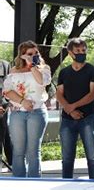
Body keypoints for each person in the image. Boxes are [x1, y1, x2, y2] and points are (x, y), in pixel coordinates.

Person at [2, 40, 51, 177]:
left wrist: (33, 65)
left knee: (33, 151)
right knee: (18, 151)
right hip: (18, 113)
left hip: (37, 112)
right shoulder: (14, 71)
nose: (34, 55)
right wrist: (22, 101)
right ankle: (19, 183)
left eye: (36, 53)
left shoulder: (44, 68)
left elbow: (42, 81)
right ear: (22, 55)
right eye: (30, 54)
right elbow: (7, 91)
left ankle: (35, 183)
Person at [56, 38, 94, 179]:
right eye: (78, 51)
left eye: (83, 50)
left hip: (88, 118)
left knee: (92, 158)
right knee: (67, 158)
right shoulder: (64, 72)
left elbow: (92, 94)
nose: (81, 53)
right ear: (70, 53)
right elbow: (59, 93)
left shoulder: (92, 70)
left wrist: (72, 107)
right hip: (67, 120)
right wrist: (69, 110)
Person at [0, 59, 12, 170]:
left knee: (3, 131)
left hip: (1, 107)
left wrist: (4, 105)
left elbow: (9, 87)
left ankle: (11, 161)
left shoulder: (5, 65)